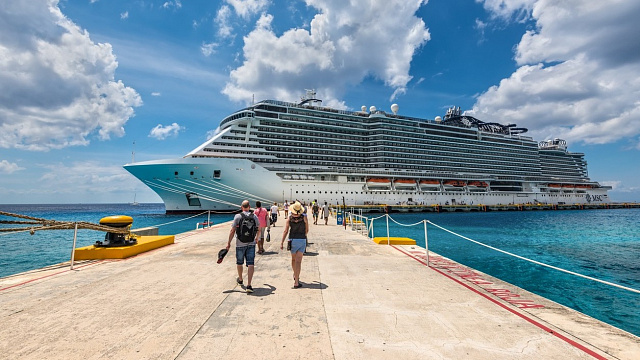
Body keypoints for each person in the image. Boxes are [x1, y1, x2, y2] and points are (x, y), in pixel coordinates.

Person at [227, 200, 260, 293]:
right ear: (249, 207)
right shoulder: (254, 216)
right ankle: (249, 285)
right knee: (251, 264)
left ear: (242, 207)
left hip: (239, 243)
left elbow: (232, 230)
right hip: (251, 243)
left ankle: (241, 279)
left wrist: (228, 243)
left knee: (239, 262)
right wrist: (257, 238)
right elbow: (259, 228)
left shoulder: (238, 216)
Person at [281, 201, 308, 288]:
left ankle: (295, 274)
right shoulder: (304, 218)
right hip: (301, 239)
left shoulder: (289, 219)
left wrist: (282, 242)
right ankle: (296, 281)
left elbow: (285, 231)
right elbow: (307, 230)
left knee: (293, 260)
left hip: (292, 240)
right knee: (298, 261)